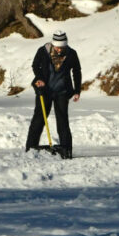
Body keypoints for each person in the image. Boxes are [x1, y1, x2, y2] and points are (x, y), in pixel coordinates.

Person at [25, 30, 82, 159]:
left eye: (62, 47)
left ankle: (67, 150)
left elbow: (77, 71)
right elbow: (35, 65)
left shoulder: (71, 54)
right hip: (44, 90)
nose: (59, 50)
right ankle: (30, 149)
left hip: (62, 91)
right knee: (38, 119)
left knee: (62, 120)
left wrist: (77, 90)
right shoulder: (43, 51)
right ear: (53, 44)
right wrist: (39, 78)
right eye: (57, 47)